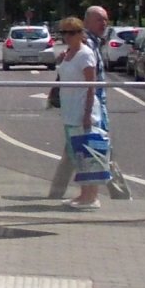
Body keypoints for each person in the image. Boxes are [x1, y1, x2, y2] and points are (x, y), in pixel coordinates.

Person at [48, 6, 131, 199]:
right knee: (96, 149)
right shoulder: (86, 45)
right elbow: (89, 83)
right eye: (99, 20)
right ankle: (116, 196)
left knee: (81, 150)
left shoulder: (88, 44)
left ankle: (62, 194)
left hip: (86, 108)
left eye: (105, 20)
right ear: (87, 23)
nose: (104, 23)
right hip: (87, 108)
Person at [53, 16, 104, 210]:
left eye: (72, 32)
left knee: (89, 154)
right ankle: (84, 194)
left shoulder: (85, 54)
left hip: (83, 111)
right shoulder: (68, 53)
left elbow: (92, 86)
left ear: (81, 34)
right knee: (78, 155)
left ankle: (91, 197)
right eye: (64, 32)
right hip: (70, 110)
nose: (68, 36)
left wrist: (87, 113)